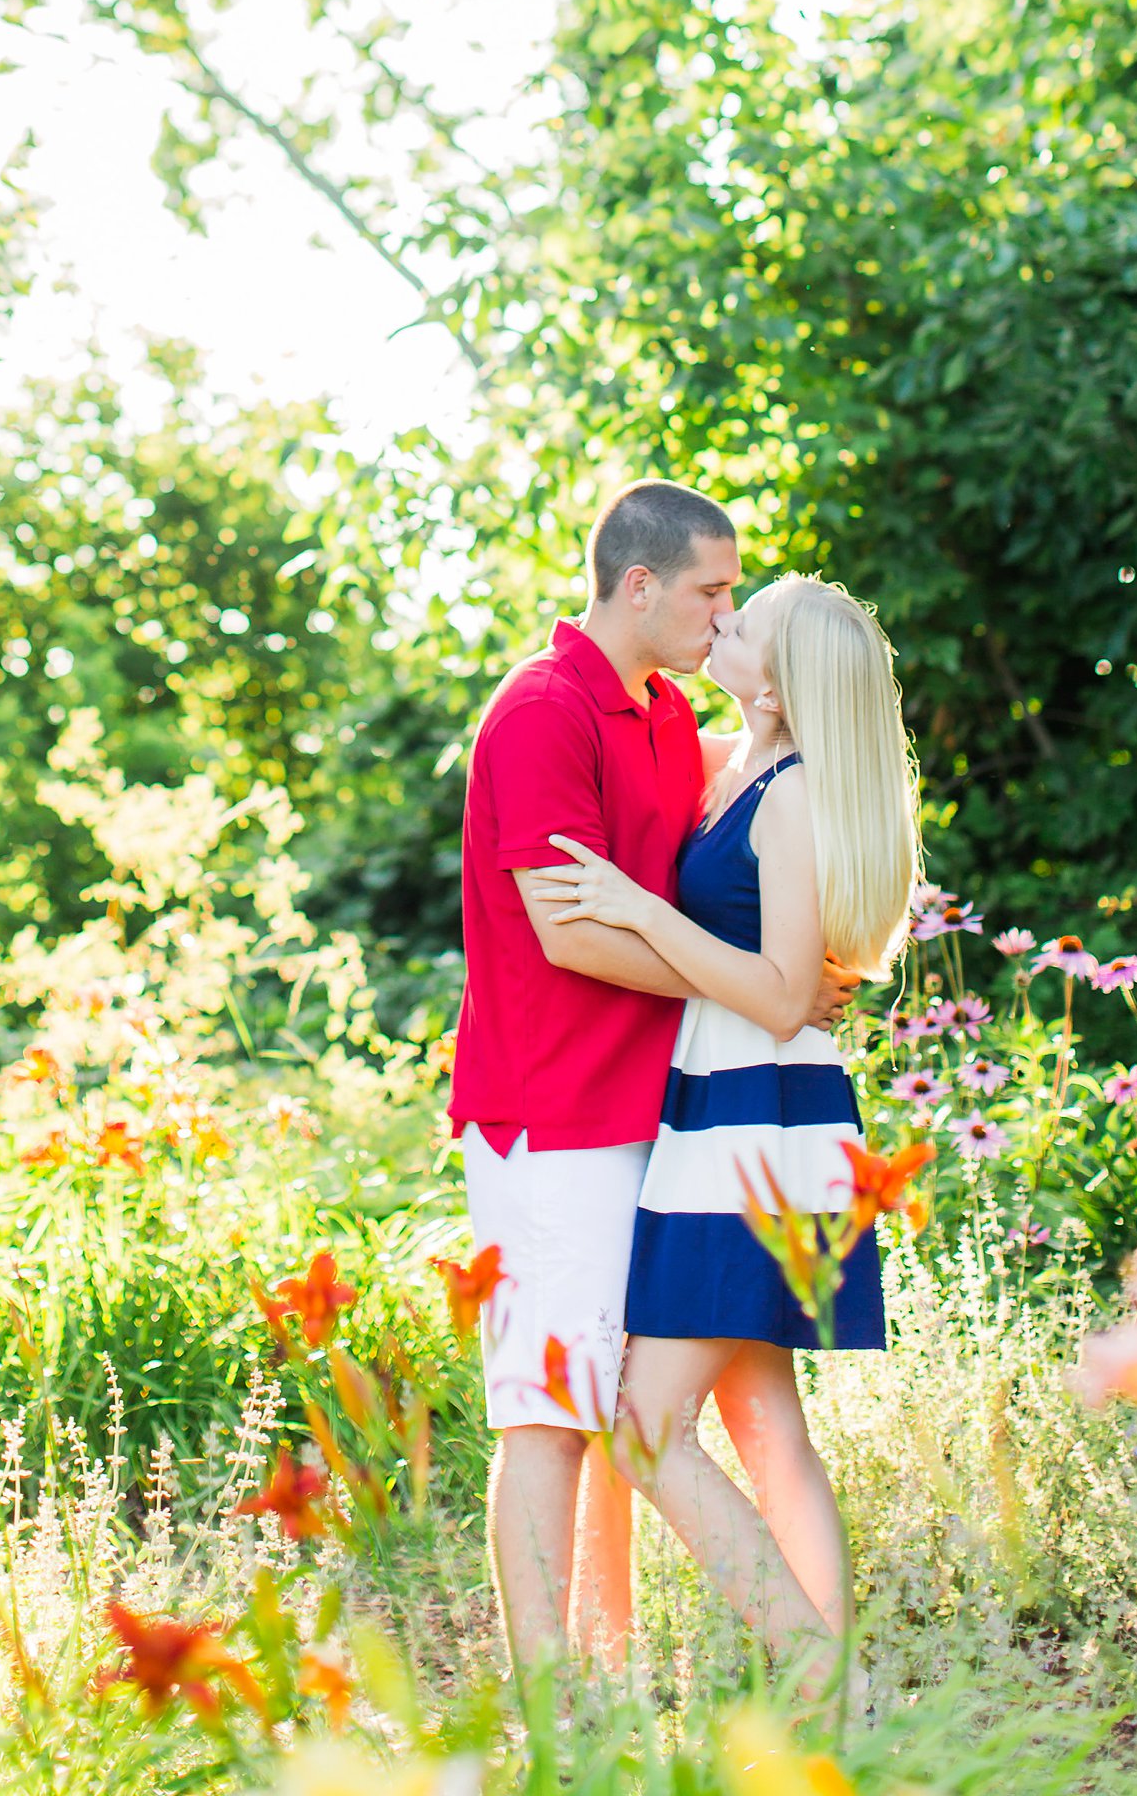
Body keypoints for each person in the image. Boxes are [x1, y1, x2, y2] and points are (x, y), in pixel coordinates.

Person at [448, 480, 855, 1672]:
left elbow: (780, 766)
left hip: (653, 1117)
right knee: (549, 1414)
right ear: (639, 585)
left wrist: (791, 959)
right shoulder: (537, 713)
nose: (720, 612)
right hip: (551, 1120)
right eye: (709, 591)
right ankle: (549, 1708)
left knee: (622, 1403)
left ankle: (611, 1675)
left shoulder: (665, 717)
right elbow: (569, 933)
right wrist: (755, 983)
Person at [530, 574, 918, 1679]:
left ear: (784, 679)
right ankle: (836, 1704)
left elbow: (781, 990)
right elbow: (780, 977)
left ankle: (812, 1669)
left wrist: (637, 909)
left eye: (743, 624)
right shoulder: (728, 764)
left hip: (757, 1123)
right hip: (732, 1108)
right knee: (761, 1421)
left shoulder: (790, 791)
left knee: (646, 1427)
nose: (721, 622)